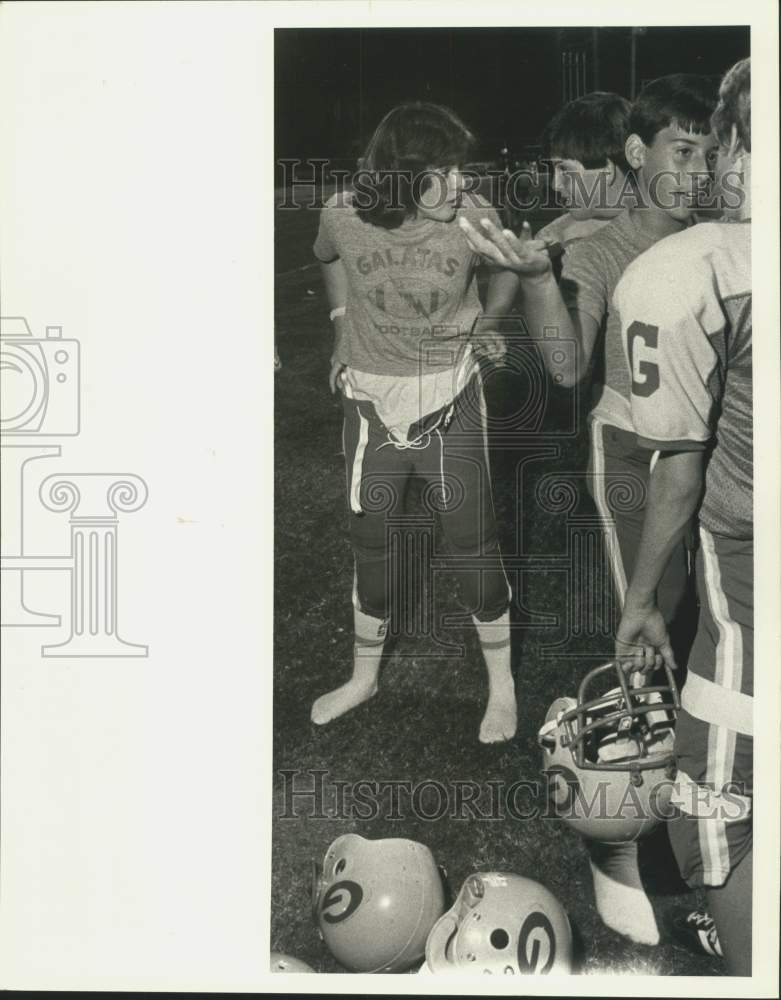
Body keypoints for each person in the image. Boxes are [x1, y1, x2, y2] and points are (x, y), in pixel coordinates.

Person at [458, 74, 719, 947]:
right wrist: (535, 279)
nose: (699, 168)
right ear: (637, 154)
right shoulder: (606, 249)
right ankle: (643, 854)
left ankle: (723, 801)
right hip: (636, 457)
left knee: (728, 631)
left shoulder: (728, 233)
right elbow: (568, 369)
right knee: (659, 636)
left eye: (709, 151)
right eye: (682, 150)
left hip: (719, 452)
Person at [310, 102, 521, 743]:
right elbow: (328, 258)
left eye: (461, 167)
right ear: (400, 175)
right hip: (370, 405)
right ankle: (363, 676)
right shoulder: (343, 212)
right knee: (370, 545)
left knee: (472, 544)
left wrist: (486, 324)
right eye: (443, 170)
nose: (460, 182)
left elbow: (509, 269)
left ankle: (503, 687)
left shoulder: (474, 214)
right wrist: (342, 324)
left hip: (449, 395)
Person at [613, 57, 752, 976]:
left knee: (720, 802)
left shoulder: (693, 269)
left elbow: (679, 464)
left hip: (750, 567)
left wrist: (639, 600)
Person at [535, 91, 632, 263]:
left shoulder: (665, 234)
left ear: (607, 170)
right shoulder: (565, 227)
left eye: (564, 169)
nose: (555, 185)